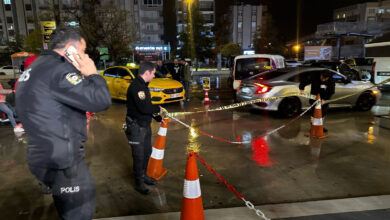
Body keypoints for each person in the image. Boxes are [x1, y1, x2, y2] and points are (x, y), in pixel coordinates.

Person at [15, 27, 111, 220]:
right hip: (64, 163)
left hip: (43, 158)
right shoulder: (60, 70)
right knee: (79, 211)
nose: (84, 57)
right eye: (82, 52)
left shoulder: (36, 67)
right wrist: (93, 75)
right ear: (70, 49)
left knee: (65, 207)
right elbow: (101, 99)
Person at [124, 62, 162, 195]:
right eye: (153, 73)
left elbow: (147, 104)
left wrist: (157, 117)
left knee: (147, 152)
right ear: (147, 73)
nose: (153, 76)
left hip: (144, 126)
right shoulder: (137, 87)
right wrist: (158, 109)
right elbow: (144, 108)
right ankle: (139, 183)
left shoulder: (143, 86)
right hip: (136, 127)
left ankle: (144, 175)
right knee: (139, 156)